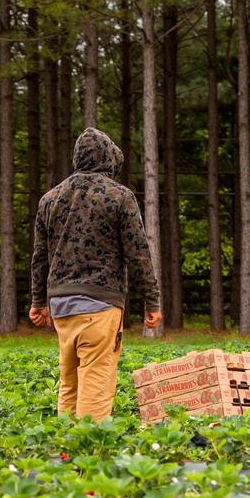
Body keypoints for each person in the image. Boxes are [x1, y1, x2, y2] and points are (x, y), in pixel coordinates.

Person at [29, 127, 162, 421]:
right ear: (107, 159)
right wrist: (151, 302)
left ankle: (64, 452)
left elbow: (40, 257)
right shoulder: (120, 196)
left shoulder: (50, 199)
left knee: (70, 381)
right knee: (97, 380)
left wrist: (38, 301)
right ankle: (89, 451)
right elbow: (138, 252)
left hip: (61, 307)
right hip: (100, 305)